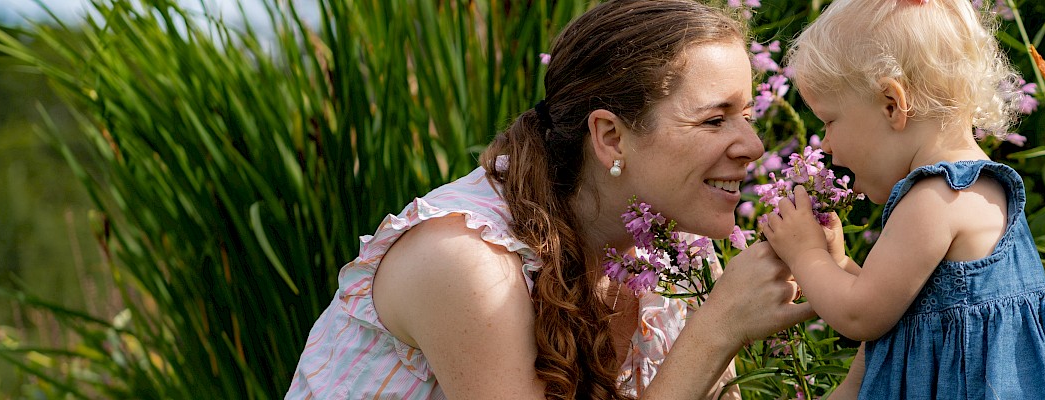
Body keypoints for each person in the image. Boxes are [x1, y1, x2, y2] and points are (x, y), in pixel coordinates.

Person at [287, 1, 814, 398]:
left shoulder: (672, 250)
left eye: (747, 115)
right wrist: (716, 330)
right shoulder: (467, 261)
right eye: (715, 119)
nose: (754, 147)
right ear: (610, 136)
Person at [758, 0, 1045, 398]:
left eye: (829, 121)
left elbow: (860, 315)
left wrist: (804, 254)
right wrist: (839, 265)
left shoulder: (936, 199)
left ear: (891, 105)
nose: (825, 145)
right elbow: (909, 305)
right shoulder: (976, 186)